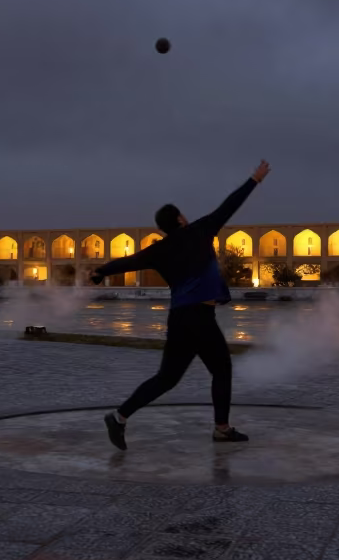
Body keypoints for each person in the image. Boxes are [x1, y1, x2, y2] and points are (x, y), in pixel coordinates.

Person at [92, 160, 271, 450]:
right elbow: (229, 205)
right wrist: (255, 179)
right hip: (199, 316)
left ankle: (120, 417)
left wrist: (100, 272)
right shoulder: (200, 230)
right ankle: (222, 429)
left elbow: (128, 262)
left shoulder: (158, 250)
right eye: (182, 214)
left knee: (168, 377)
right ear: (179, 220)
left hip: (180, 318)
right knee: (222, 369)